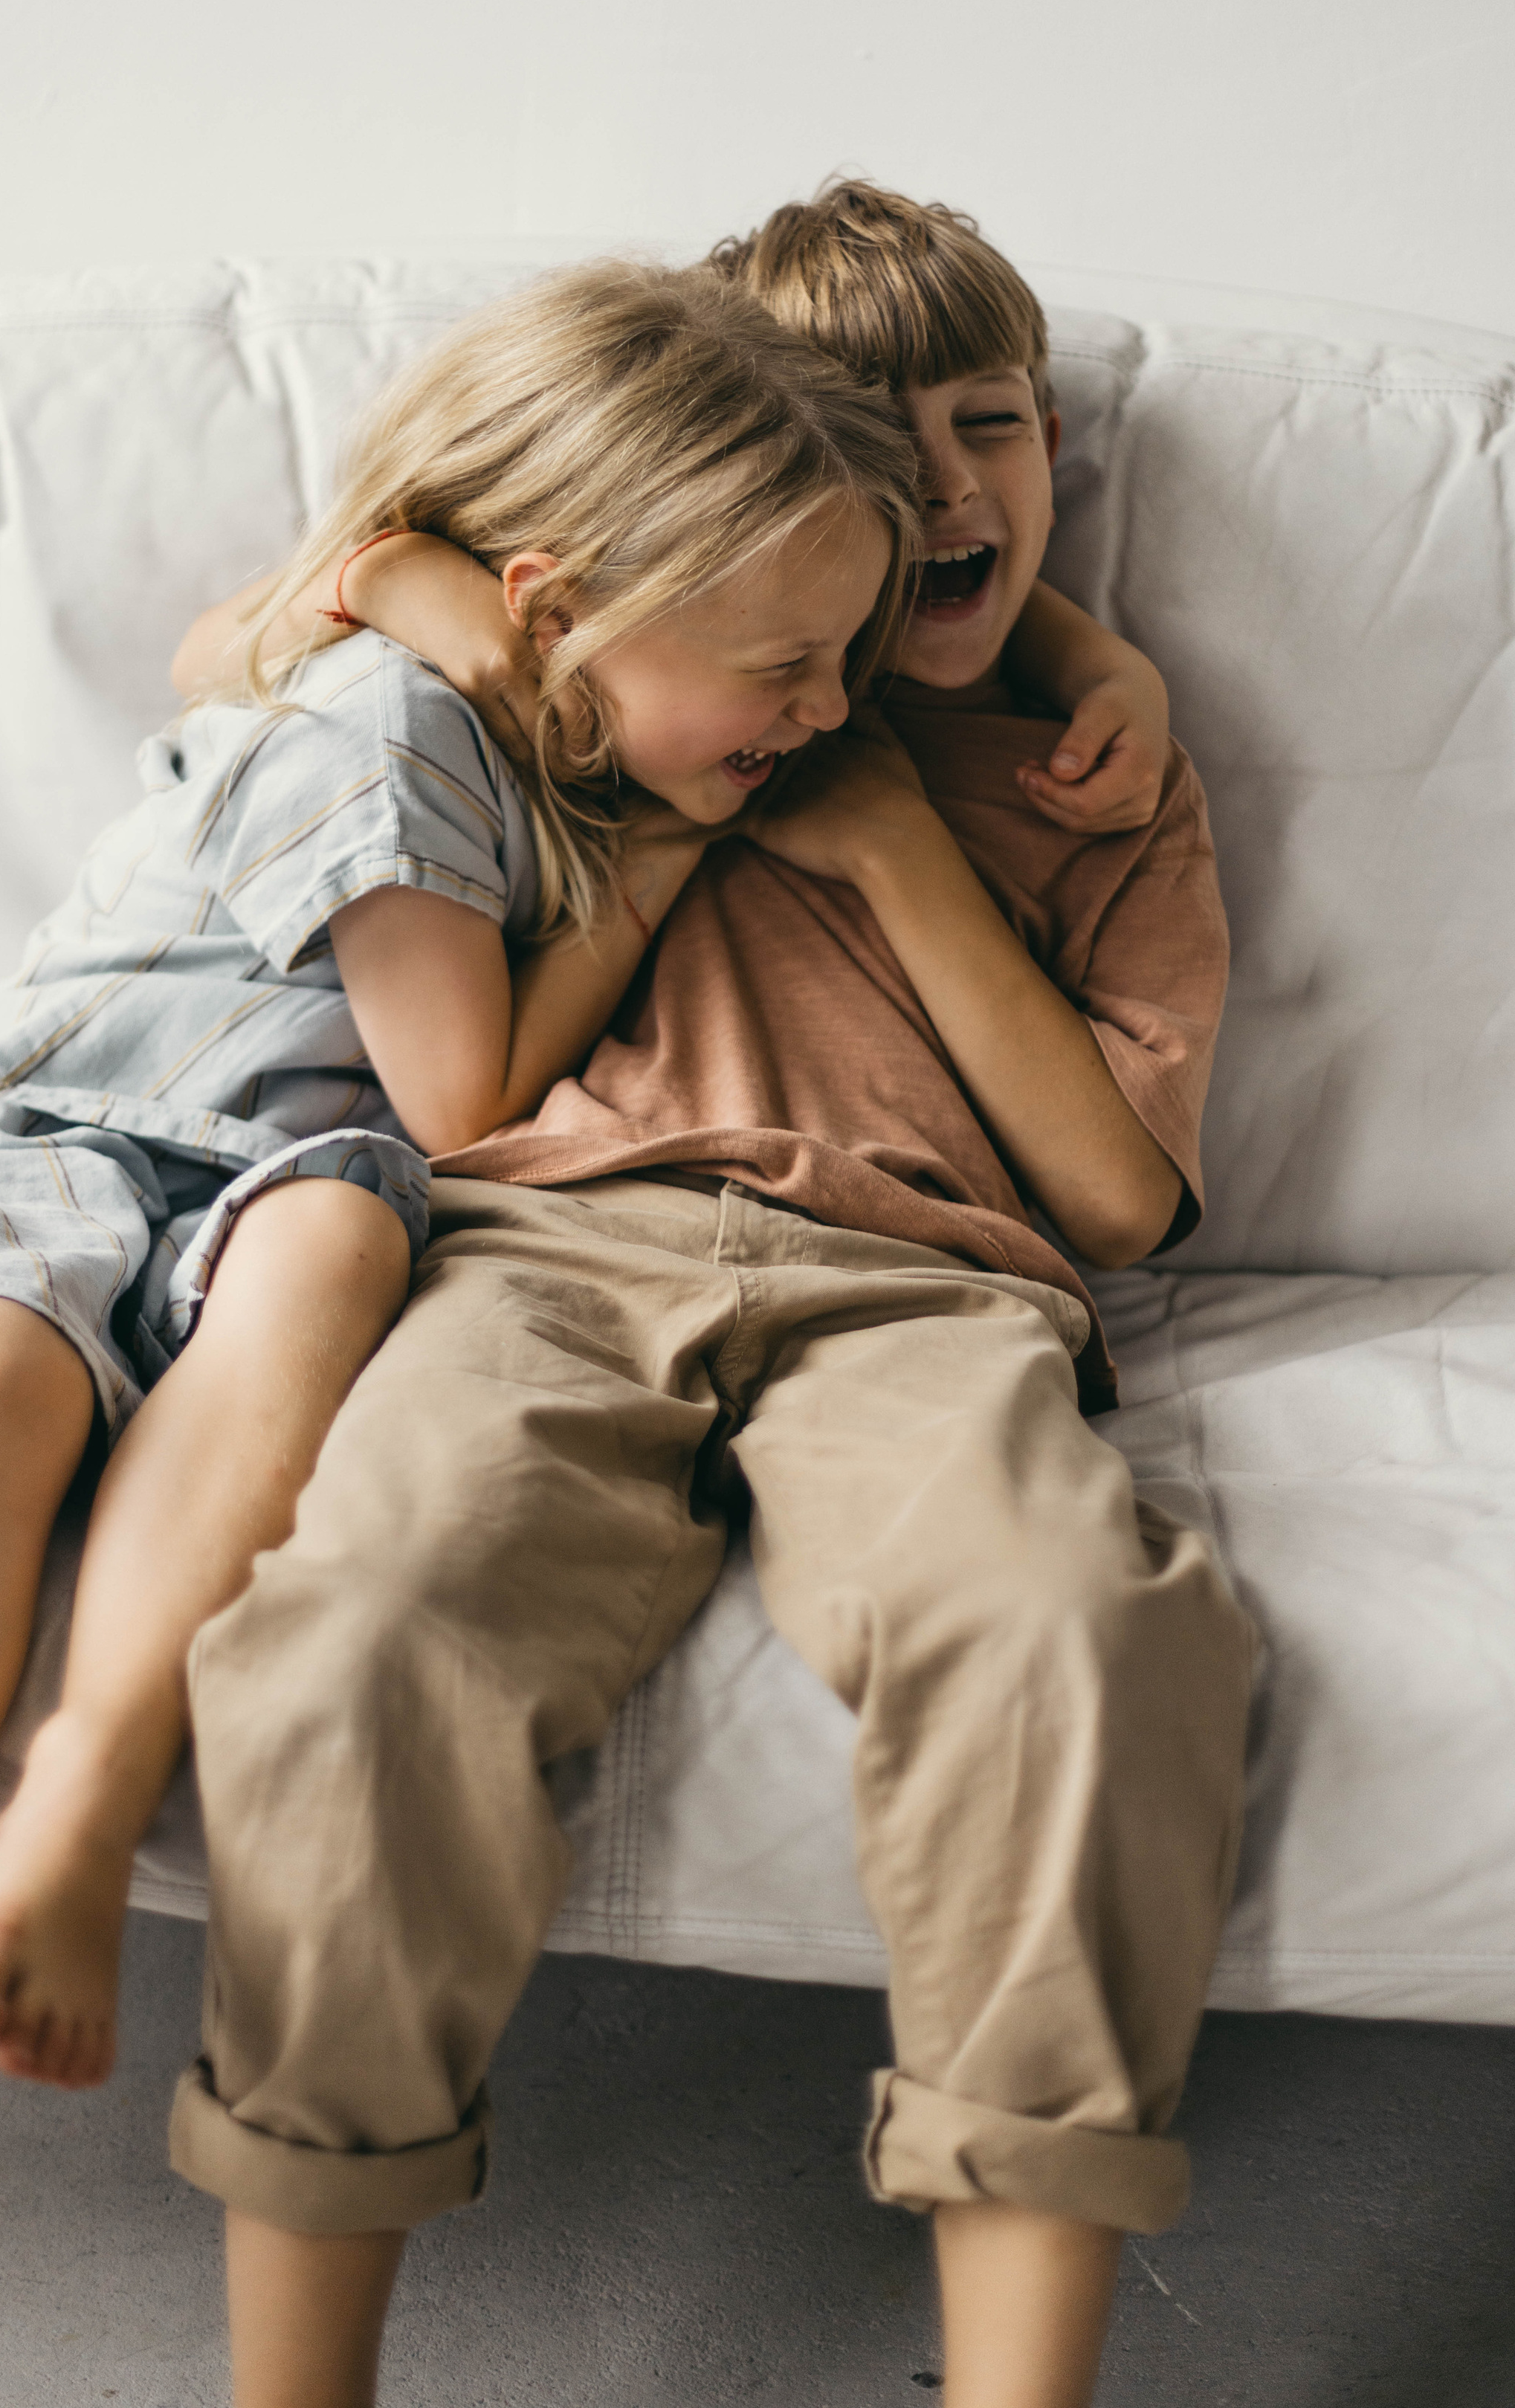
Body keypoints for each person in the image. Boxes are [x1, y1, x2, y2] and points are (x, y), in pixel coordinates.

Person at [0, 258, 942, 2373]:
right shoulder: (396, 725)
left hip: (254, 1192)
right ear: (555, 597)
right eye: (787, 660)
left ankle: (77, 1793)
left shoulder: (524, 709)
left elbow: (393, 1103)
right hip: (35, 1140)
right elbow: (473, 1099)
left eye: (848, 651)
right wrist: (662, 870)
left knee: (338, 1242)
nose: (830, 705)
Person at [167, 185, 1259, 2408]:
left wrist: (894, 829)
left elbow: (1123, 1206)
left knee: (1080, 1629)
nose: (951, 494)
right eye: (881, 443)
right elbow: (275, 629)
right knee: (365, 1629)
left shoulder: (1101, 776)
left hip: (929, 1289)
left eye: (998, 430)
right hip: (551, 1251)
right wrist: (513, 636)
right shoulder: (641, 693)